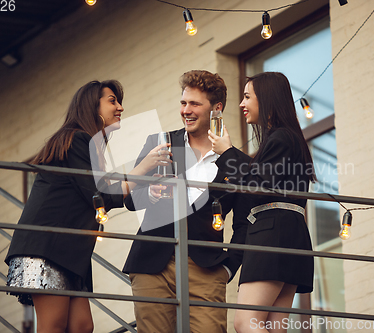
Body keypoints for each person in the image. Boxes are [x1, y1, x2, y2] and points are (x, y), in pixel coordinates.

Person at [5, 80, 170, 333]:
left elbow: (105, 195)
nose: (121, 107)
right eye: (112, 100)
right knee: (53, 325)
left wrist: (145, 188)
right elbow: (100, 196)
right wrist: (143, 169)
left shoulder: (90, 147)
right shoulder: (75, 139)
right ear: (92, 106)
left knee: (82, 326)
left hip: (70, 252)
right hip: (47, 247)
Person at [123, 70, 249, 333]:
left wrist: (228, 267)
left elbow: (244, 225)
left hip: (206, 267)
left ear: (217, 108)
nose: (186, 110)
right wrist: (150, 193)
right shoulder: (160, 143)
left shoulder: (237, 162)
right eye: (183, 103)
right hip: (152, 262)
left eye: (195, 104)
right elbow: (131, 200)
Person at [209, 72, 316, 333]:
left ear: (266, 98)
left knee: (246, 322)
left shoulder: (280, 137)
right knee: (273, 326)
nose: (241, 104)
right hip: (292, 235)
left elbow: (258, 185)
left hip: (272, 234)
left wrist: (228, 153)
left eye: (247, 97)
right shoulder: (289, 138)